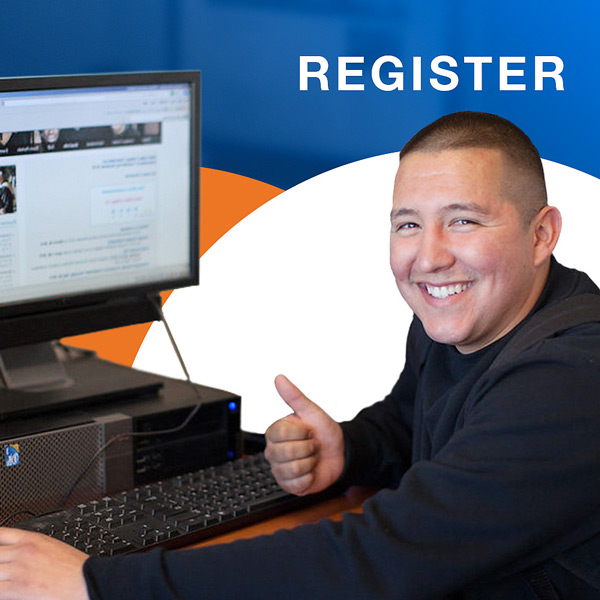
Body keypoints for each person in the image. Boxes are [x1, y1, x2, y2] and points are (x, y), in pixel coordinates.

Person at [1, 111, 600, 599]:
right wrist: (349, 447)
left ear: (542, 234)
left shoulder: (568, 377)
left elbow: (382, 558)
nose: (430, 258)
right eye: (408, 225)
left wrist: (95, 584)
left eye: (463, 221)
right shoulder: (463, 323)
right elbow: (408, 423)